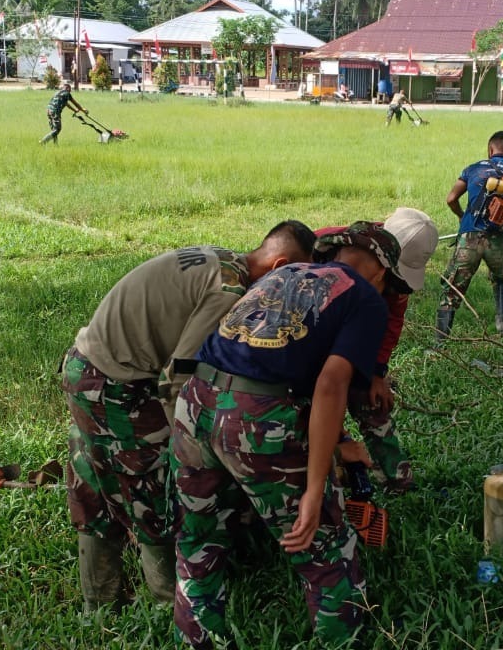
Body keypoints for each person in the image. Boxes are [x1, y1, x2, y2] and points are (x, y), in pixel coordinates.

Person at [172, 222, 410, 649]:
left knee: (199, 539)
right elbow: (331, 386)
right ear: (380, 271)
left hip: (194, 404)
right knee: (327, 549)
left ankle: (196, 640)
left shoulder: (285, 274)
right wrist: (315, 490)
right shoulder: (365, 298)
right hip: (256, 419)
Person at [59, 221, 317, 612]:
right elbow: (175, 381)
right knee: (152, 486)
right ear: (279, 264)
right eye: (292, 279)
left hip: (87, 365)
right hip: (112, 383)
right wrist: (191, 446)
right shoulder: (229, 290)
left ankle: (100, 604)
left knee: (95, 478)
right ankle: (166, 603)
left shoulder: (224, 258)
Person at [316, 207, 439, 493]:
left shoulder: (395, 286)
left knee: (373, 400)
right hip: (307, 342)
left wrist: (377, 371)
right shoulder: (325, 248)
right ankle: (323, 477)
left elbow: (393, 321)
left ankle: (397, 479)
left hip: (353, 342)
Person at [437, 131, 503, 342]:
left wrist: (461, 217)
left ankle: (440, 341)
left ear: (489, 149)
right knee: (502, 280)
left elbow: (451, 199)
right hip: (499, 239)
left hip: (470, 238)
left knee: (452, 288)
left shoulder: (474, 169)